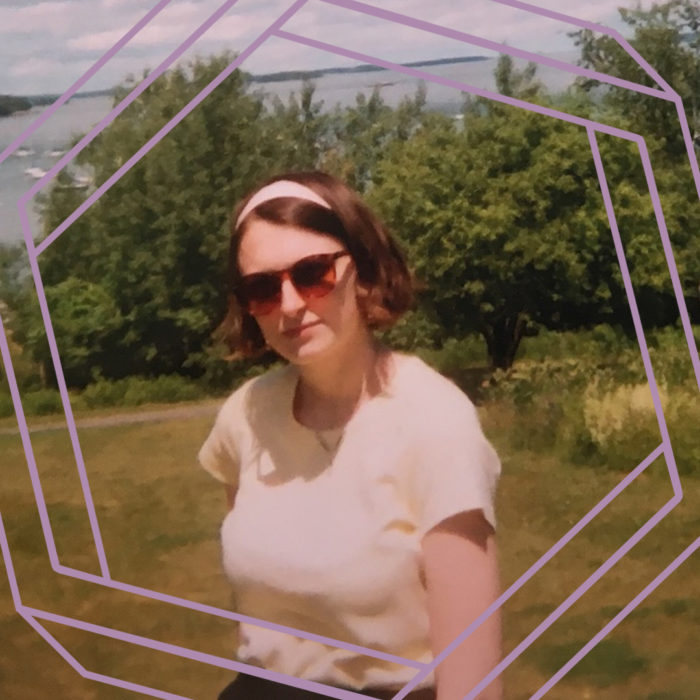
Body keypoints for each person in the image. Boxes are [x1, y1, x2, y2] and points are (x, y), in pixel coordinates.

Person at [198, 171, 502, 700]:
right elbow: (255, 610)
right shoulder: (245, 416)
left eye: (312, 273)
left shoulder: (435, 422)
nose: (291, 304)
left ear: (361, 270)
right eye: (263, 288)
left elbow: (472, 677)